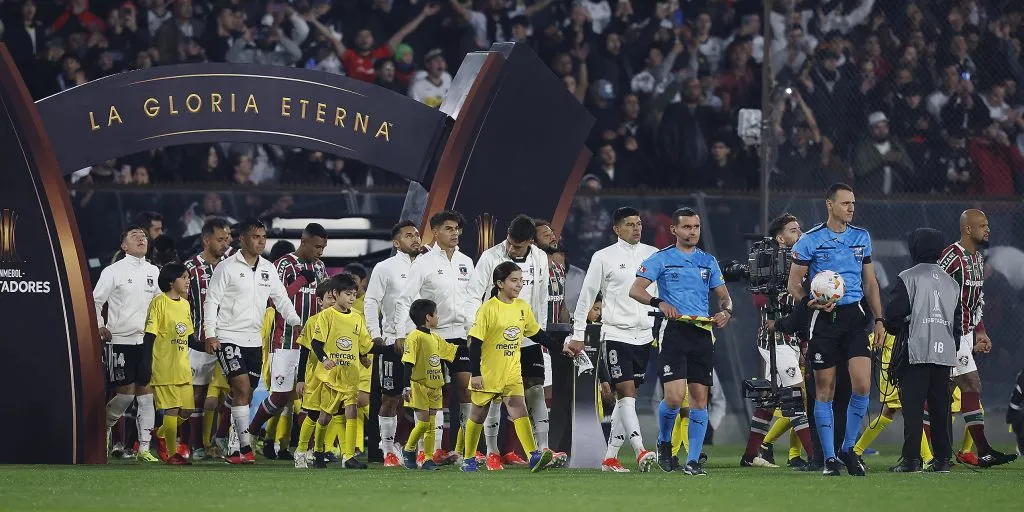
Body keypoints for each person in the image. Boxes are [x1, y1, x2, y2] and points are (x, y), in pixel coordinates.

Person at [787, 183, 885, 477]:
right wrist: (810, 304)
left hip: (855, 317)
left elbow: (870, 283)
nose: (851, 208)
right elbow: (794, 284)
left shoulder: (861, 237)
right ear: (829, 204)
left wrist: (879, 319)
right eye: (845, 203)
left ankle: (848, 448)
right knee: (825, 390)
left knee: (863, 387)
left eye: (853, 203)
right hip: (824, 321)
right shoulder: (810, 241)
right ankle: (829, 458)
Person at [629, 207, 733, 476]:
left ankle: (694, 460)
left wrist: (726, 311)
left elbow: (724, 296)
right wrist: (659, 302)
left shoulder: (708, 261)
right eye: (687, 227)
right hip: (673, 332)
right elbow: (636, 290)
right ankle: (665, 442)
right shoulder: (661, 259)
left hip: (701, 332)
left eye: (696, 227)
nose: (693, 232)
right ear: (674, 230)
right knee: (674, 399)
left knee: (700, 399)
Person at [460, 262, 582, 473]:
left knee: (519, 409)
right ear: (500, 283)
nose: (519, 285)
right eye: (514, 280)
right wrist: (476, 374)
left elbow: (536, 334)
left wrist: (560, 348)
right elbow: (475, 343)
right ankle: (468, 458)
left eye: (521, 280)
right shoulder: (487, 309)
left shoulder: (522, 307)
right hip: (489, 372)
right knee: (478, 414)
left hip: (512, 371)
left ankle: (533, 455)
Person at [465, 214, 563, 468]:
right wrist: (474, 331)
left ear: (530, 242)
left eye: (518, 246)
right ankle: (492, 451)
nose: (511, 248)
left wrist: (542, 336)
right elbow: (474, 295)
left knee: (534, 390)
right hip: (494, 336)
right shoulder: (490, 257)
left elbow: (541, 297)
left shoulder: (540, 258)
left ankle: (541, 450)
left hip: (526, 332)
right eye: (510, 242)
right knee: (490, 399)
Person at [203, 219, 302, 464]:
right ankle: (246, 445)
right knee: (243, 388)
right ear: (243, 239)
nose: (261, 241)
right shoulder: (226, 267)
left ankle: (234, 449)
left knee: (243, 395)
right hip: (227, 337)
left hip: (253, 340)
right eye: (256, 236)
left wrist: (296, 321)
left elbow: (281, 299)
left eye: (263, 237)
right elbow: (212, 301)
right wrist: (210, 333)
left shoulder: (268, 268)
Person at [570, 207, 658, 473]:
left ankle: (610, 457)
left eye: (639, 223)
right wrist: (578, 333)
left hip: (644, 335)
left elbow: (661, 294)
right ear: (617, 229)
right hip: (616, 334)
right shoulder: (603, 257)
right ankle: (641, 450)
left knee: (627, 399)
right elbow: (587, 295)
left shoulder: (653, 254)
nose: (636, 228)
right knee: (626, 393)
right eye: (630, 224)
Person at [394, 211, 476, 464]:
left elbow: (472, 299)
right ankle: (431, 450)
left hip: (460, 335)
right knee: (433, 391)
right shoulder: (423, 263)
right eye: (449, 229)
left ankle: (462, 450)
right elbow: (405, 299)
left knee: (467, 389)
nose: (455, 233)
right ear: (436, 232)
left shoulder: (466, 262)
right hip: (433, 336)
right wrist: (401, 333)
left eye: (457, 229)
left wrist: (473, 328)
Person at [938, 209, 1017, 467]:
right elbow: (933, 291)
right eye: (982, 225)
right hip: (947, 335)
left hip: (964, 334)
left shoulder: (978, 260)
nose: (988, 230)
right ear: (968, 229)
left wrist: (979, 330)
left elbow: (976, 301)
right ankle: (975, 451)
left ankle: (934, 454)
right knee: (970, 386)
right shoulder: (951, 257)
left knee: (943, 394)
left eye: (988, 224)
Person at [883, 228, 962, 473]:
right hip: (944, 354)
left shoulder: (908, 277)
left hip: (915, 350)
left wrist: (897, 327)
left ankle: (911, 460)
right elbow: (957, 322)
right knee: (941, 409)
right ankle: (942, 460)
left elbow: (893, 315)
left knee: (913, 408)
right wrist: (951, 346)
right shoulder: (951, 282)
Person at [248, 223, 328, 461]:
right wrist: (302, 280)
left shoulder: (321, 267)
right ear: (303, 241)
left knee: (311, 397)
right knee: (280, 397)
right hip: (285, 340)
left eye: (323, 247)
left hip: (312, 344)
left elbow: (326, 300)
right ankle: (250, 434)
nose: (320, 252)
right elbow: (273, 300)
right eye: (316, 246)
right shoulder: (283, 264)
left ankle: (310, 449)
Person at [743, 213, 816, 469]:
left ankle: (750, 455)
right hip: (774, 338)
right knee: (796, 394)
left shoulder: (801, 265)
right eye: (793, 230)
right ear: (780, 237)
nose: (800, 234)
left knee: (770, 399)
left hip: (794, 338)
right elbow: (758, 301)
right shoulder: (768, 264)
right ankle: (814, 456)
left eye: (800, 229)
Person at [95, 225, 161, 462]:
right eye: (135, 236)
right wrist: (100, 324)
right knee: (125, 395)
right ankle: (103, 429)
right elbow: (95, 300)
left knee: (145, 395)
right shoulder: (113, 271)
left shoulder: (155, 272)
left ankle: (144, 448)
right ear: (124, 246)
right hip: (119, 339)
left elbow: (161, 305)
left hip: (145, 340)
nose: (141, 238)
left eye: (143, 236)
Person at [363, 220, 423, 467]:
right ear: (397, 243)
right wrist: (375, 334)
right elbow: (370, 301)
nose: (416, 239)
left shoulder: (428, 265)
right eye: (409, 236)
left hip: (424, 342)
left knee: (425, 398)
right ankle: (387, 450)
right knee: (391, 397)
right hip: (392, 342)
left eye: (417, 235)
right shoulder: (384, 267)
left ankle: (422, 451)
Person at [308, 274, 377, 469]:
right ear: (336, 294)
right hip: (332, 375)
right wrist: (324, 359)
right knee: (325, 416)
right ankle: (318, 451)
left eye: (354, 294)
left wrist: (365, 356)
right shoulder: (326, 316)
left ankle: (348, 456)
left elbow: (364, 343)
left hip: (350, 374)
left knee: (352, 411)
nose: (352, 298)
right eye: (348, 294)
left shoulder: (357, 317)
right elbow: (316, 343)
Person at [183, 218, 232, 459]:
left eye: (227, 239)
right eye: (220, 239)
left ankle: (224, 439)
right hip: (200, 342)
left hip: (230, 339)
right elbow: (181, 303)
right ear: (206, 240)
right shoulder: (190, 268)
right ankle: (195, 445)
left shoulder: (233, 266)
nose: (226, 244)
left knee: (238, 389)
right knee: (197, 395)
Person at [145, 263, 199, 465]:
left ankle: (160, 433)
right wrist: (146, 364)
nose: (187, 281)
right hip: (164, 367)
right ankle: (171, 453)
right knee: (172, 409)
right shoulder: (159, 302)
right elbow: (149, 337)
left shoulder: (185, 304)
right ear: (170, 282)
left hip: (182, 367)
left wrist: (208, 346)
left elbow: (191, 338)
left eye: (188, 277)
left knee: (187, 411)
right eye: (183, 277)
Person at [401, 299, 460, 470]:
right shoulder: (414, 337)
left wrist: (477, 346)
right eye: (436, 314)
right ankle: (409, 448)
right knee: (424, 424)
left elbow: (452, 351)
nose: (438, 317)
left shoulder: (435, 338)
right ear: (428, 317)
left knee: (432, 425)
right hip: (419, 386)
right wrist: (406, 387)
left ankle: (427, 459)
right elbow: (408, 363)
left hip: (435, 386)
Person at [293, 282, 336, 469]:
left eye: (336, 297)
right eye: (329, 298)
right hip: (315, 376)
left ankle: (320, 451)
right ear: (320, 301)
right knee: (312, 414)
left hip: (335, 376)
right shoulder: (312, 322)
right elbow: (303, 352)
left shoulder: (344, 319)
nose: (333, 302)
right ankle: (301, 451)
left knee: (329, 415)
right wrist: (300, 379)